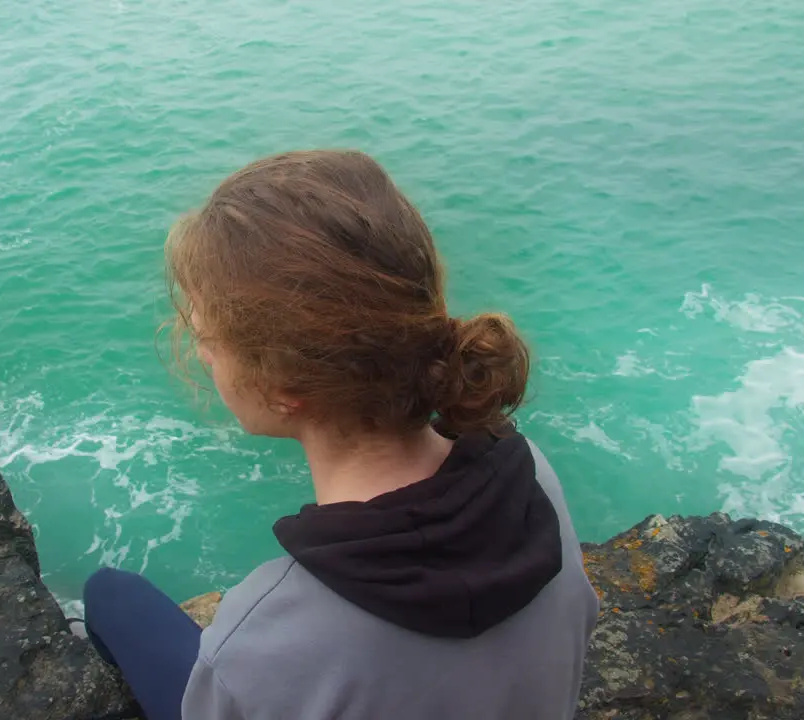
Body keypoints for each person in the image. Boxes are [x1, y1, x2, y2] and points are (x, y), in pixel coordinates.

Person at [83, 150, 599, 720]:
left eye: (207, 337)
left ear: (282, 385)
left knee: (111, 595)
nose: (201, 353)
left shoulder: (262, 642)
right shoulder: (533, 479)